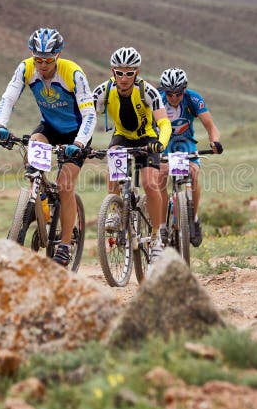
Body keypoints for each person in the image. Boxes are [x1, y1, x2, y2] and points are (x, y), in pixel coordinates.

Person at [0, 28, 96, 267]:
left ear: (57, 55)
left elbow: (89, 114)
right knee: (32, 155)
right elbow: (9, 97)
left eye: (48, 60)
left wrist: (79, 143)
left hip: (77, 132)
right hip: (49, 127)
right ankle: (41, 208)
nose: (42, 65)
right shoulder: (26, 68)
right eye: (38, 59)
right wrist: (0, 125)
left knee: (65, 186)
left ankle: (66, 244)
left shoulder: (73, 73)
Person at [93, 46, 172, 265]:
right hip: (122, 137)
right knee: (114, 159)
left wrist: (160, 144)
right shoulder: (103, 91)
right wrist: (82, 143)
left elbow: (164, 123)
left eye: (129, 73)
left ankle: (156, 237)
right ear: (113, 71)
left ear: (136, 72)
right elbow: (87, 118)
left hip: (147, 139)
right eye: (120, 72)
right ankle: (116, 209)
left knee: (149, 183)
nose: (124, 77)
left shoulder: (148, 91)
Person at [157, 67, 223, 247]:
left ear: (184, 90)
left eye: (178, 93)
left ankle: (193, 218)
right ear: (164, 90)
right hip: (164, 143)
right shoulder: (157, 99)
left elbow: (210, 126)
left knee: (193, 173)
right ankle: (162, 226)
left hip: (186, 142)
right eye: (169, 93)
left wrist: (214, 142)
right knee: (161, 175)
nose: (173, 98)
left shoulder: (193, 98)